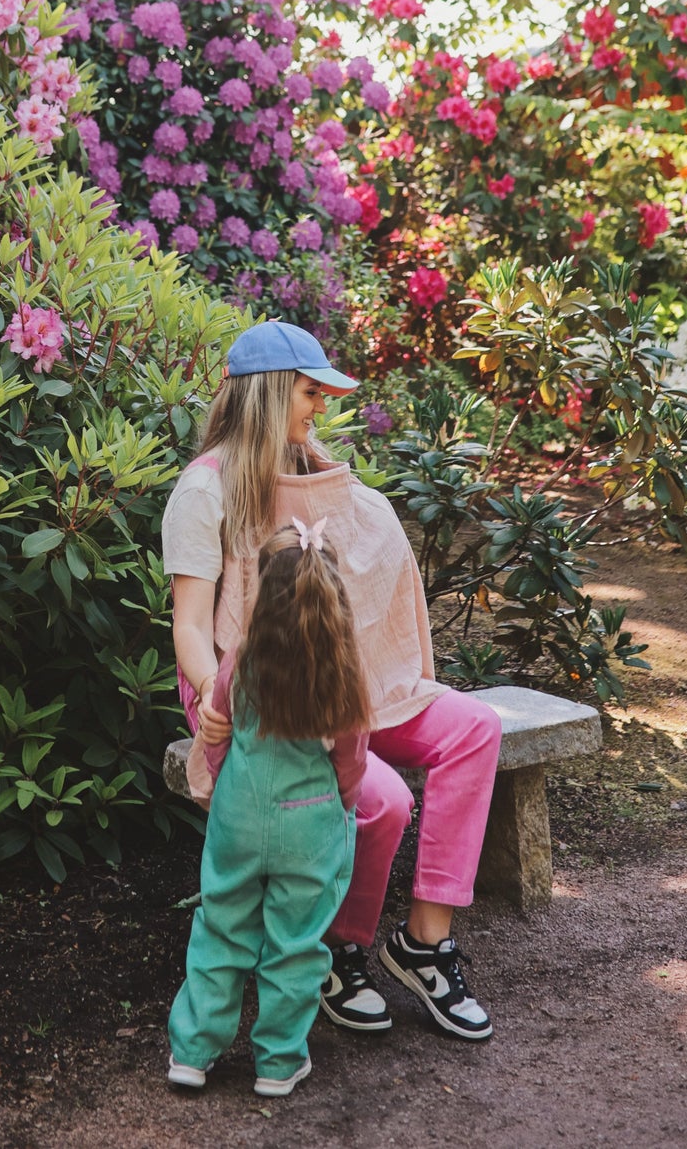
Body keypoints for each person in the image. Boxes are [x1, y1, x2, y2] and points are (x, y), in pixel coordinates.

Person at [163, 320, 502, 1042]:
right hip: (250, 696)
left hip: (342, 678)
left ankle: (422, 942)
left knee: (475, 726)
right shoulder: (203, 490)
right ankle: (334, 950)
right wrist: (211, 704)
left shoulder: (312, 470)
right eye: (310, 392)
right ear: (268, 394)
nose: (319, 407)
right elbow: (191, 624)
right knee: (377, 801)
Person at [166, 522, 369, 1097]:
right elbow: (352, 765)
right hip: (311, 824)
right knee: (296, 944)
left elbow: (218, 734)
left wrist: (227, 787)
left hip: (239, 816)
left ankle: (193, 1052)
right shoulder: (343, 674)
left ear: (261, 594)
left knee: (221, 928)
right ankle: (278, 1063)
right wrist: (342, 813)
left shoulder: (239, 663)